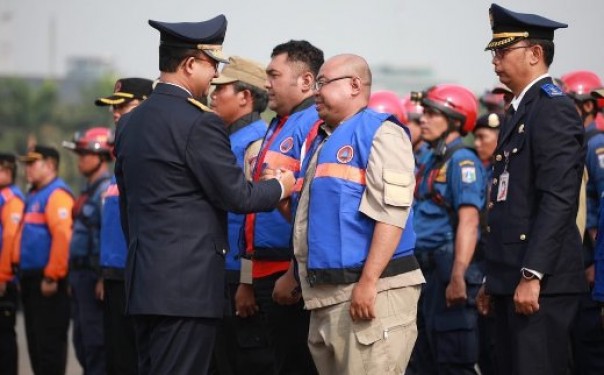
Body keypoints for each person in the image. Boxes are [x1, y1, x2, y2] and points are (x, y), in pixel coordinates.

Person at [113, 15, 295, 375]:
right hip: (186, 290)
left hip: (144, 285)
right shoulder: (198, 122)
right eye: (212, 65)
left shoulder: (131, 122)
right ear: (190, 63)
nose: (214, 78)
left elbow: (127, 206)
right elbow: (237, 196)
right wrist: (281, 187)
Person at [285, 53, 423, 375]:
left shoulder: (381, 133)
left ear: (354, 86)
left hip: (370, 293)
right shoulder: (325, 141)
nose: (315, 91)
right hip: (329, 297)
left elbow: (392, 212)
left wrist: (369, 282)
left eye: (323, 83)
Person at [477, 4, 586, 375]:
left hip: (542, 281)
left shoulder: (552, 109)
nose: (495, 60)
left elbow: (558, 199)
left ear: (535, 54)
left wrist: (531, 275)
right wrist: (496, 279)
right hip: (512, 277)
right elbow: (508, 204)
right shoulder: (518, 111)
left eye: (503, 51)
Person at [243, 40, 323, 375]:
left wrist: (294, 271)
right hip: (264, 268)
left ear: (305, 81)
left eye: (274, 75)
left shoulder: (311, 123)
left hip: (286, 271)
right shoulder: (279, 123)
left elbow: (310, 210)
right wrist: (248, 278)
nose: (266, 83)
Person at [411, 84, 485, 375]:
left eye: (431, 113)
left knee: (453, 360)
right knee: (424, 358)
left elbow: (469, 220)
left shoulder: (462, 162)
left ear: (454, 119)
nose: (423, 119)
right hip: (425, 271)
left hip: (447, 269)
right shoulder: (432, 159)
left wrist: (458, 276)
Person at [208, 56, 274, 375]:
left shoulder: (256, 144)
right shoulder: (228, 138)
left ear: (245, 97)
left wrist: (246, 280)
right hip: (223, 271)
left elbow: (256, 217)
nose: (213, 94)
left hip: (241, 275)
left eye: (222, 89)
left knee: (246, 362)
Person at [96, 77, 153, 375]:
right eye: (113, 108)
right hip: (115, 275)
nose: (116, 113)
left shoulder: (152, 155)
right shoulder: (121, 157)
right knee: (116, 357)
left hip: (144, 273)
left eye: (124, 105)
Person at [15, 145, 74, 375]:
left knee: (49, 348)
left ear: (50, 165)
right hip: (31, 281)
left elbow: (63, 238)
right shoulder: (34, 195)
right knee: (36, 347)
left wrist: (52, 276)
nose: (26, 169)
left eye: (32, 163)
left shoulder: (56, 195)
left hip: (47, 282)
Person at [562, 71, 604, 374]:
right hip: (582, 257)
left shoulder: (595, 145)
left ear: (588, 106)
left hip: (592, 259)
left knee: (589, 348)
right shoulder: (578, 142)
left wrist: (595, 263)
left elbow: (600, 206)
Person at [62, 128, 114, 375]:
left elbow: (106, 235)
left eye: (85, 153)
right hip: (80, 275)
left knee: (95, 345)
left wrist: (103, 275)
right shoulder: (88, 190)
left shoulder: (104, 191)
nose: (80, 158)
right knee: (81, 343)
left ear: (102, 156)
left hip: (93, 276)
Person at [0, 153, 24, 375]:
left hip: (5, 280)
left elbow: (9, 238)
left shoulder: (12, 199)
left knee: (4, 334)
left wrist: (4, 275)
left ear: (7, 172)